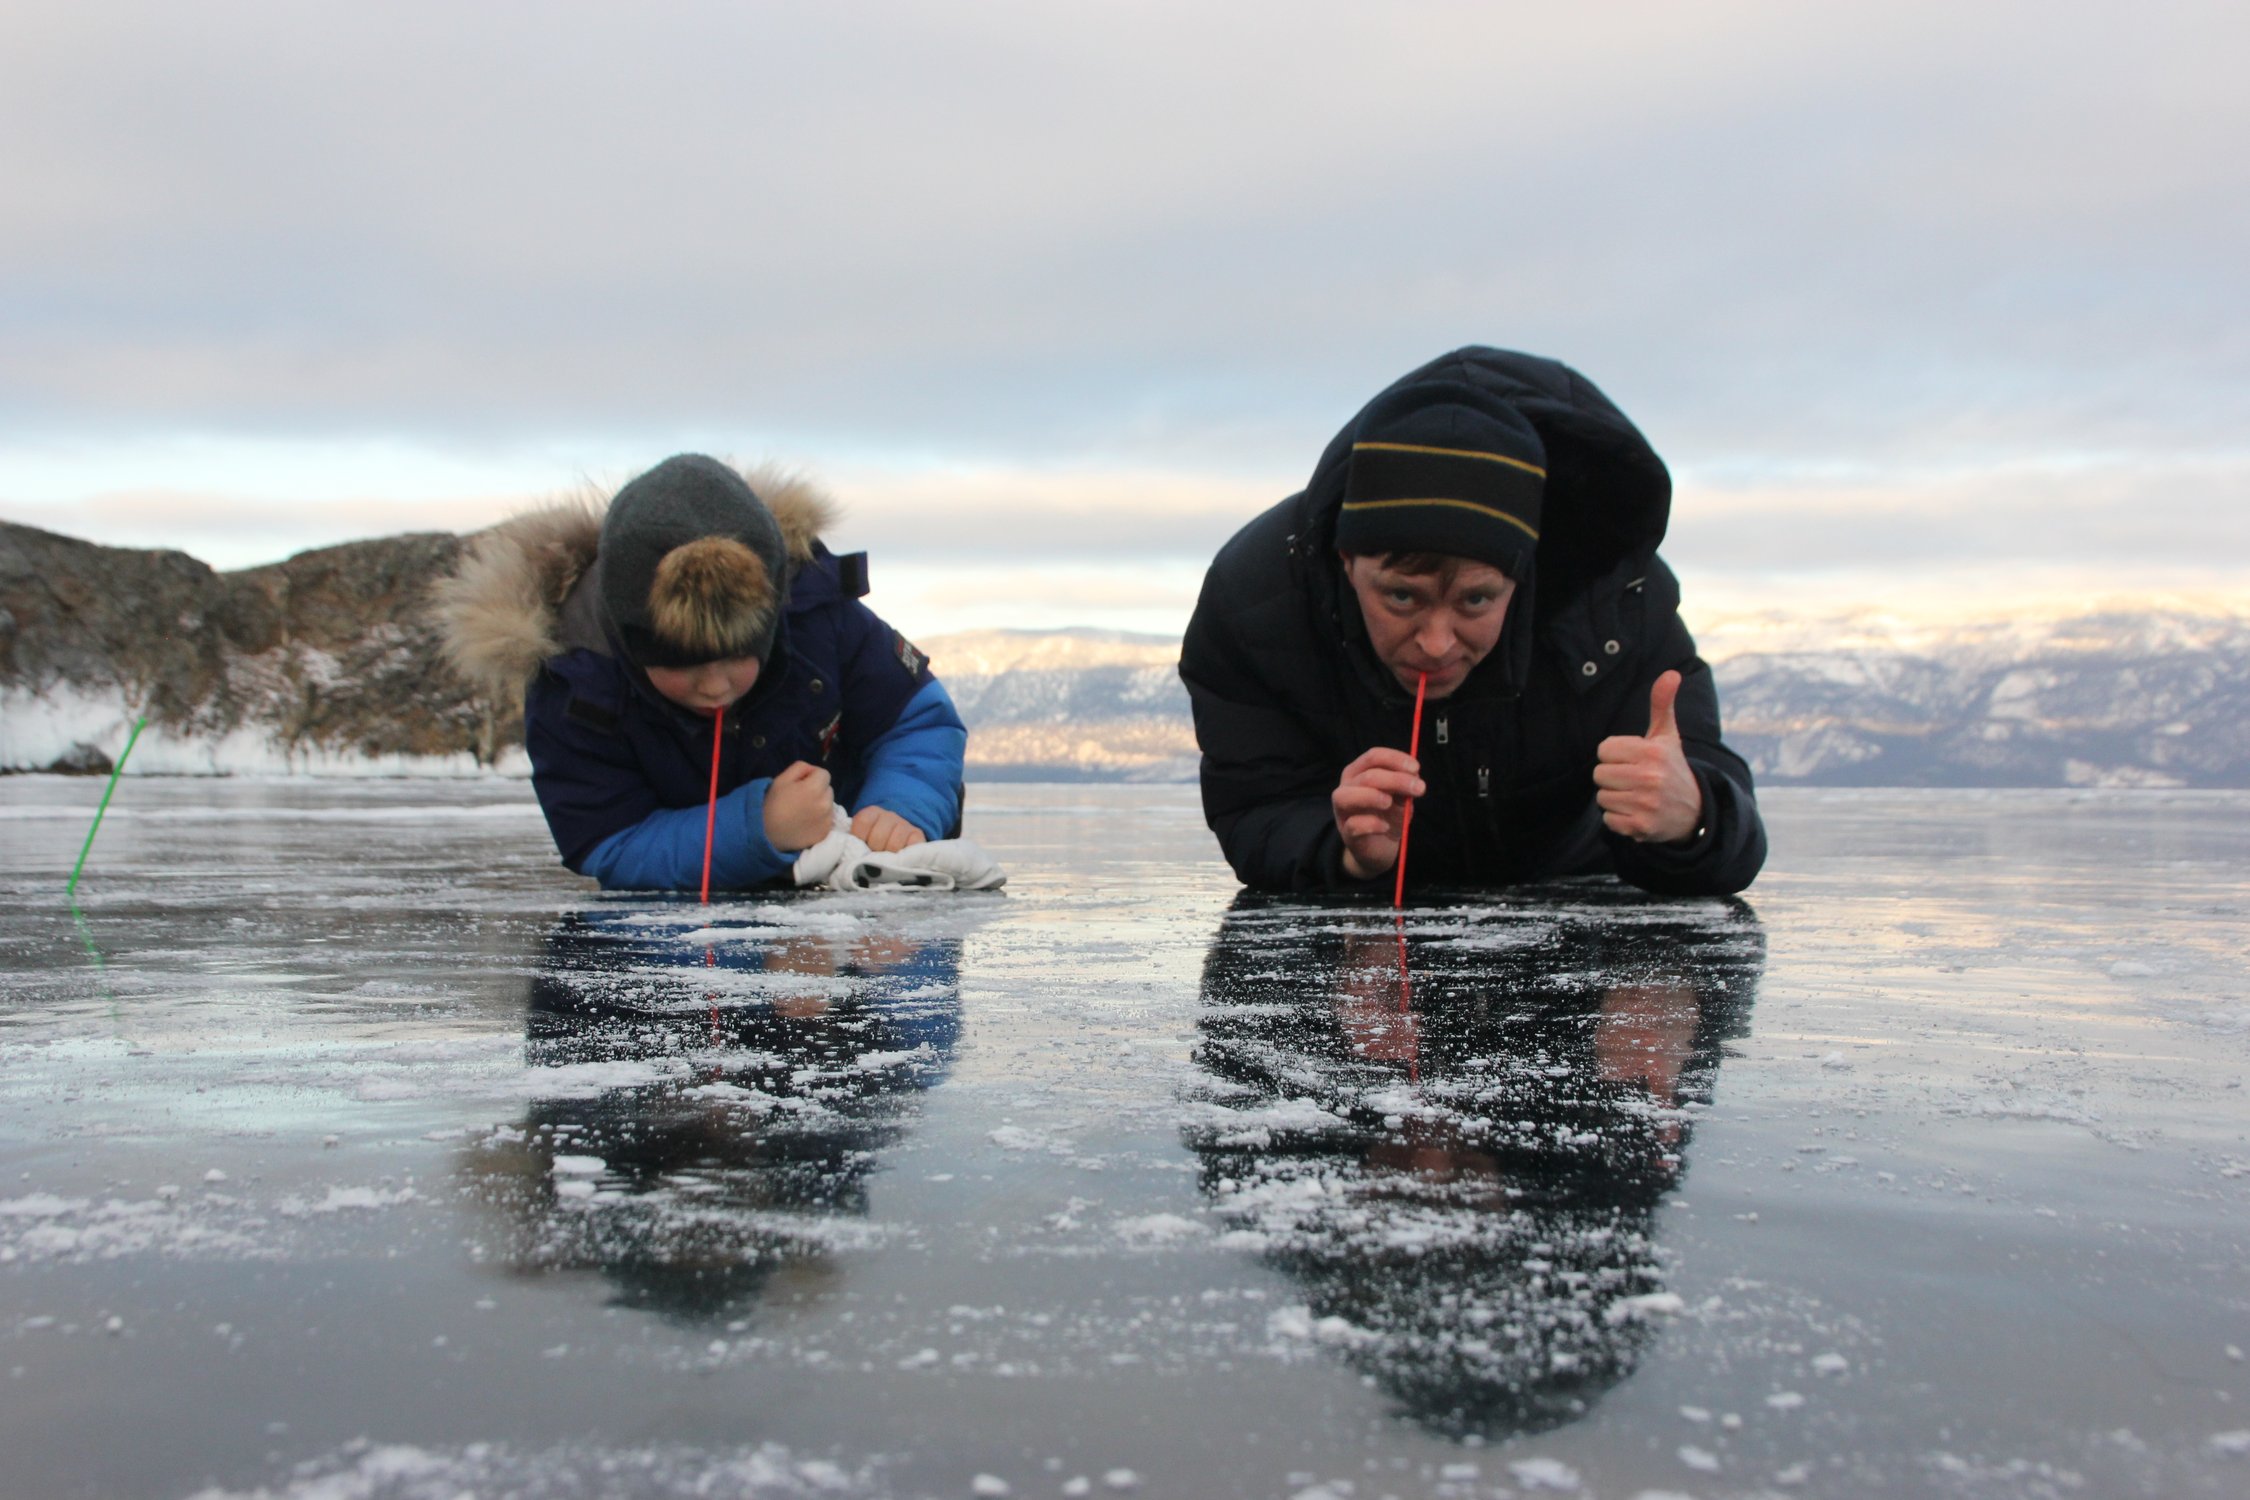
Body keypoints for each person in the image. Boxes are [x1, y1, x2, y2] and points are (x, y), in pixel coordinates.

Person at [1178, 347, 1765, 896]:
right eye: (1402, 598)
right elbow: (1256, 805)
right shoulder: (1256, 602)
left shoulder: (1611, 600)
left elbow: (1727, 816)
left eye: (1476, 601)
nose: (1436, 643)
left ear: (1523, 573)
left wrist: (1694, 818)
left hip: (1574, 922)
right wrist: (1343, 850)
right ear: (1347, 561)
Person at [436, 454, 965, 891]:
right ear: (630, 643)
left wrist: (900, 806)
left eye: (737, 656)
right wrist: (758, 829)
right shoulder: (575, 679)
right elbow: (607, 841)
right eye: (682, 665)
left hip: (860, 914)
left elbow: (916, 722)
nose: (715, 686)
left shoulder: (819, 614)